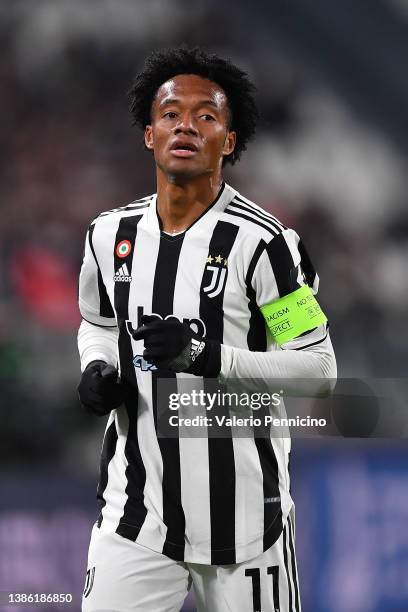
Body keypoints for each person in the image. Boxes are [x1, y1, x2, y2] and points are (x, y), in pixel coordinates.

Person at [77, 46, 336, 612]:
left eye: (206, 116)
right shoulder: (108, 236)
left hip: (247, 524)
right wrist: (95, 369)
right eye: (170, 114)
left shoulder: (267, 246)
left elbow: (320, 371)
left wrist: (206, 356)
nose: (186, 125)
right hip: (137, 516)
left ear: (230, 140)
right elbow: (95, 322)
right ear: (149, 134)